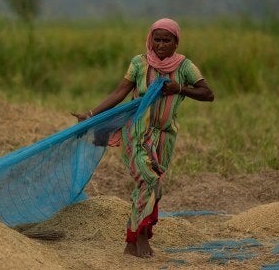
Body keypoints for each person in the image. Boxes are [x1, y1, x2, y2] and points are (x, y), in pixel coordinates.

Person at [71, 18, 214, 258]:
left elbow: (208, 93)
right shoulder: (139, 63)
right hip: (136, 133)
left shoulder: (185, 67)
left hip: (165, 137)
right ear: (150, 39)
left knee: (151, 184)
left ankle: (137, 239)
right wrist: (92, 114)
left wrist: (179, 89)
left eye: (166, 40)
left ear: (176, 42)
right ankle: (136, 238)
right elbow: (120, 92)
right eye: (156, 39)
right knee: (149, 180)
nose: (160, 45)